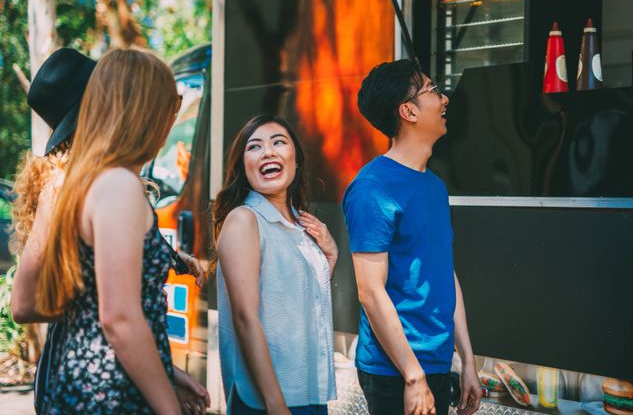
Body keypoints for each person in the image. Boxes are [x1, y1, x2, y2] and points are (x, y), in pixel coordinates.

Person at [10, 48, 208, 414]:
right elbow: (117, 317)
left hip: (82, 379)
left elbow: (100, 304)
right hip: (108, 391)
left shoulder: (80, 184)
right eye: (171, 106)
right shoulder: (114, 185)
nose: (171, 119)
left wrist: (165, 369)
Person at [343, 59, 482, 415]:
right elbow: (370, 292)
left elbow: (444, 274)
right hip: (395, 369)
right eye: (433, 90)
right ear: (408, 111)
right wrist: (412, 377)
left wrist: (467, 359)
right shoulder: (372, 188)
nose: (444, 98)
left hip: (435, 362)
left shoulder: (434, 187)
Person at [212, 115, 338, 415]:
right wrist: (275, 404)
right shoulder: (244, 220)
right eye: (254, 147)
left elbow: (300, 302)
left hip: (308, 391)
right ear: (244, 167)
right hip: (266, 401)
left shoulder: (300, 222)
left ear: (296, 160)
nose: (268, 152)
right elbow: (245, 318)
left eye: (278, 142)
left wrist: (331, 256)